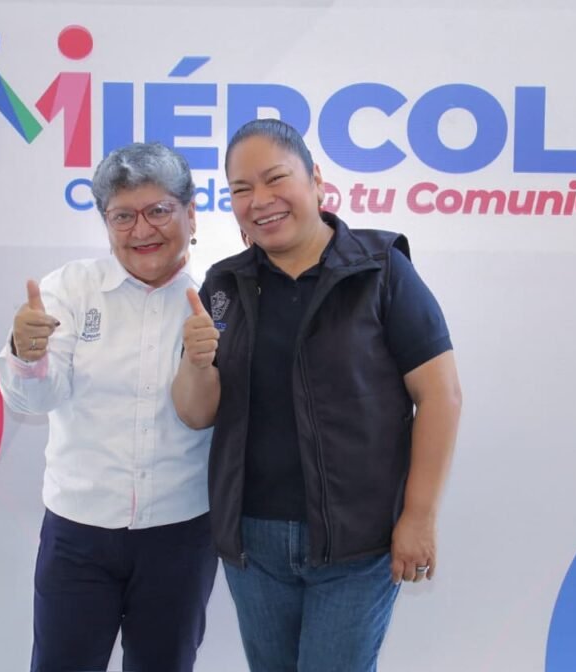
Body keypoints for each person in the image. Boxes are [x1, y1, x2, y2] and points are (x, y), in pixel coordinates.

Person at [173, 119, 462, 671]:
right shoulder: (223, 285)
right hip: (253, 544)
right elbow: (195, 412)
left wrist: (419, 516)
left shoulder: (381, 269)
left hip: (357, 542)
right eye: (241, 189)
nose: (260, 200)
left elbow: (441, 395)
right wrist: (195, 361)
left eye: (275, 178)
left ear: (316, 180)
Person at [0, 142, 216, 672]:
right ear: (106, 223)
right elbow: (37, 399)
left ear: (190, 213)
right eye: (122, 216)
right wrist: (28, 355)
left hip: (181, 531)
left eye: (158, 210)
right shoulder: (70, 288)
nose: (142, 230)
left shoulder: (219, 295)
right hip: (79, 531)